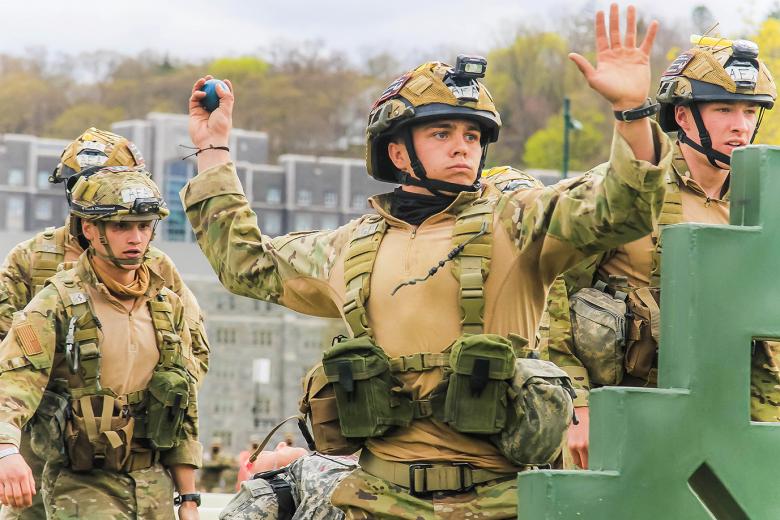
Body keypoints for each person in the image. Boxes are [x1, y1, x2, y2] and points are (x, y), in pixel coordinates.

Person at [183, 5, 670, 518]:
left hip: (501, 501)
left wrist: (632, 114)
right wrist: (213, 149)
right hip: (378, 500)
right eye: (442, 134)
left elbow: (622, 209)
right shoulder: (349, 247)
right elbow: (246, 263)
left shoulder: (518, 222)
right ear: (397, 153)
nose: (462, 148)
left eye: (472, 136)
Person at [541, 36, 779, 470]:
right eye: (724, 109)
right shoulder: (626, 191)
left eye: (750, 111)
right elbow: (548, 294)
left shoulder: (768, 203)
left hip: (732, 417)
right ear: (684, 116)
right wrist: (575, 406)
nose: (741, 125)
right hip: (626, 413)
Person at [0, 128, 210, 520]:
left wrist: (141, 400)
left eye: (142, 224)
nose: (134, 234)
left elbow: (190, 356)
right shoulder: (33, 263)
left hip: (137, 458)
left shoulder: (157, 273)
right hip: (42, 441)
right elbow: (11, 365)